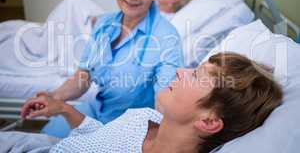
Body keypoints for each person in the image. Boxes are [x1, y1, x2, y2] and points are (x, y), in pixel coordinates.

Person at [23, 0, 183, 138]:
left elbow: (164, 102)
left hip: (129, 128)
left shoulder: (166, 37)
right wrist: (53, 97)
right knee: (42, 140)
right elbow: (84, 76)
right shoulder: (104, 24)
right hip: (96, 110)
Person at [16, 52, 283, 153]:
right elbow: (99, 138)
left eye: (197, 75)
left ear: (209, 120)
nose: (180, 71)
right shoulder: (145, 116)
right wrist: (62, 108)